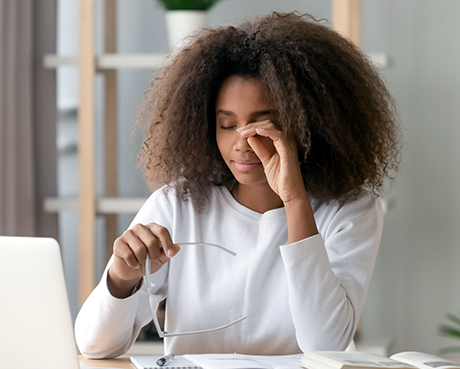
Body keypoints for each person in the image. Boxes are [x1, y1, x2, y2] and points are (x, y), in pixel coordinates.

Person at [75, 12, 402, 358]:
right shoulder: (178, 204)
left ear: (309, 126)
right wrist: (121, 277)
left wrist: (294, 201)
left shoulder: (350, 210)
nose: (241, 143)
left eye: (262, 125)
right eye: (227, 125)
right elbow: (95, 346)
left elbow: (325, 347)